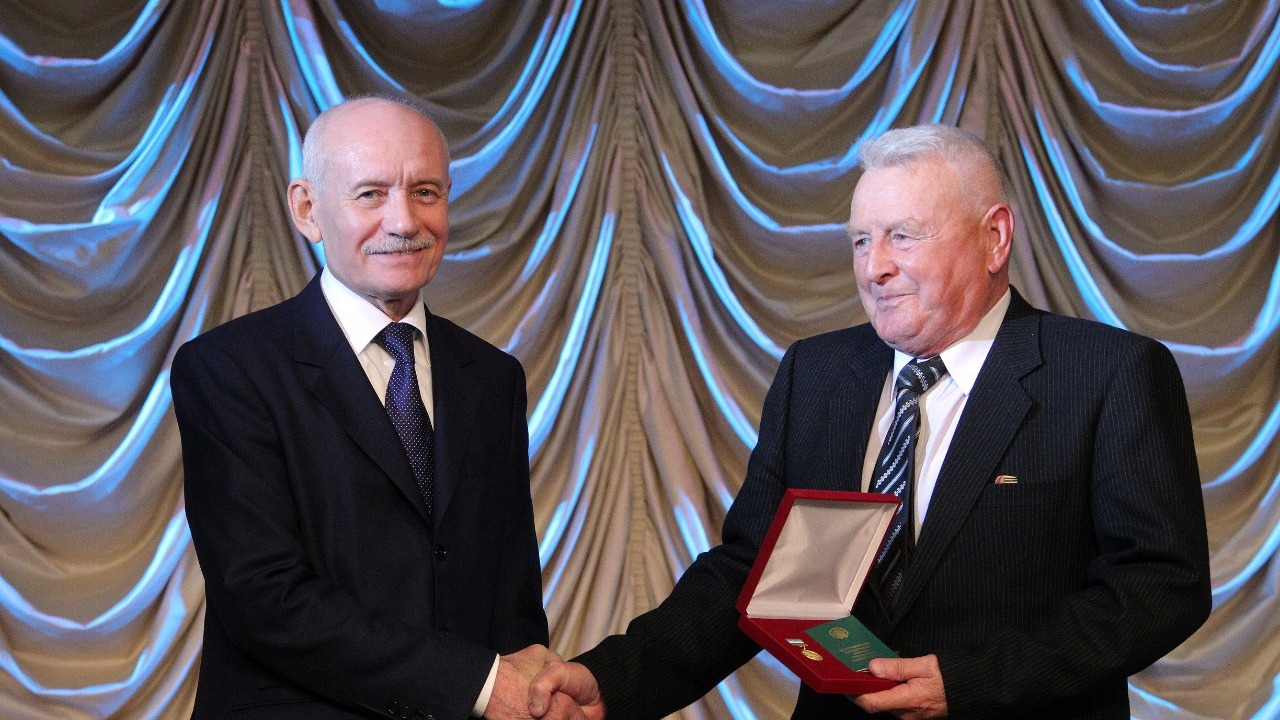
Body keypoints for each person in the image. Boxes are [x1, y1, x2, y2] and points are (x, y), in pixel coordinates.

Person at [527, 124, 1211, 720]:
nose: (875, 267)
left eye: (902, 237)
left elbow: (1160, 587)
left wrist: (969, 682)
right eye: (861, 241)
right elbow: (752, 573)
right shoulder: (816, 374)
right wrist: (612, 681)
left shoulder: (1106, 373)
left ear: (994, 237)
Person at [172, 97, 577, 719]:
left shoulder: (493, 378)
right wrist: (477, 683)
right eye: (370, 194)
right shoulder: (229, 369)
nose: (404, 220)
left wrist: (530, 696)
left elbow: (512, 601)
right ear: (307, 210)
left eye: (425, 192)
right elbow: (263, 597)